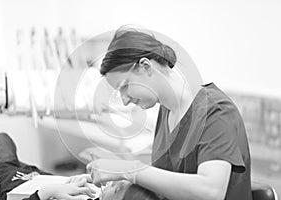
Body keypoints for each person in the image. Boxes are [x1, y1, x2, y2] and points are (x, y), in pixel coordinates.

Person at [87, 26, 252, 200]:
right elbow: (170, 185)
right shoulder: (167, 111)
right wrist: (121, 180)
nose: (125, 100)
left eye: (124, 87)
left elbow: (210, 191)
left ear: (145, 66)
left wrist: (129, 170)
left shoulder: (215, 111)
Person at [0, 133, 161, 200]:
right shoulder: (99, 195)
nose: (112, 182)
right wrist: (88, 181)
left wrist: (48, 192)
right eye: (119, 181)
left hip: (10, 181)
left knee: (0, 139)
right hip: (34, 176)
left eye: (115, 189)